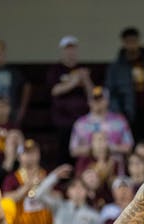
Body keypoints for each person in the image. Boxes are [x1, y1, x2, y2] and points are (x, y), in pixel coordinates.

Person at [105, 27, 144, 142]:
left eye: (134, 41)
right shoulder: (116, 68)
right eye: (128, 42)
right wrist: (118, 113)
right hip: (127, 111)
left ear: (139, 41)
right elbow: (110, 92)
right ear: (123, 43)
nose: (131, 45)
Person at [47, 35, 93, 165]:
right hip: (62, 119)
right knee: (64, 150)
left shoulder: (83, 69)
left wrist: (86, 80)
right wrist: (74, 81)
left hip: (83, 119)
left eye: (73, 48)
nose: (70, 52)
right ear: (62, 51)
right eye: (67, 49)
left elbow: (93, 95)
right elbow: (54, 90)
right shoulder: (55, 70)